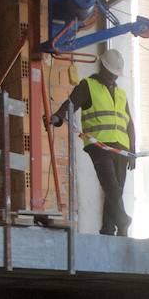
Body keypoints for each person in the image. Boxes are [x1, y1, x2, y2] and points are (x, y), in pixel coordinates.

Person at [50, 48, 135, 236]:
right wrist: (58, 117)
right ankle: (123, 220)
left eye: (116, 75)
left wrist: (132, 152)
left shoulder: (121, 93)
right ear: (103, 68)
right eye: (111, 74)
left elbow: (129, 124)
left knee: (116, 190)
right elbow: (71, 104)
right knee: (111, 186)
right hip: (98, 146)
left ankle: (108, 228)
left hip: (121, 148)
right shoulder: (88, 86)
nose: (114, 78)